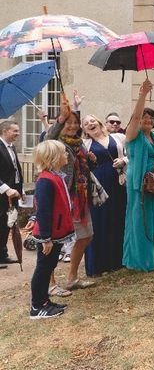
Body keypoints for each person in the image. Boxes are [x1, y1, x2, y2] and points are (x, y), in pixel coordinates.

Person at [46, 91, 96, 290]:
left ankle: (72, 278)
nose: (73, 126)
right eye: (69, 123)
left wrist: (91, 159)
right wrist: (62, 117)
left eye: (76, 123)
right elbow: (49, 135)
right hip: (62, 196)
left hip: (80, 196)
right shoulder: (56, 143)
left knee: (86, 236)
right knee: (56, 241)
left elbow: (83, 167)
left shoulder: (79, 143)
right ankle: (49, 283)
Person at [123, 79, 154, 271]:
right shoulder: (133, 135)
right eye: (145, 117)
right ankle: (142, 260)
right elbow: (134, 119)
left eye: (151, 118)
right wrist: (142, 94)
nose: (148, 120)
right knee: (141, 220)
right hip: (139, 183)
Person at [30, 140, 75, 319]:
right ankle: (37, 306)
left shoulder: (56, 176)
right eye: (64, 153)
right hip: (48, 234)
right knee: (43, 268)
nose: (67, 156)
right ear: (54, 157)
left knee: (49, 266)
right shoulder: (45, 180)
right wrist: (46, 237)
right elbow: (43, 209)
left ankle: (44, 301)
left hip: (55, 232)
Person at [81, 114, 127, 277]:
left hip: (118, 183)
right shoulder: (85, 144)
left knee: (117, 219)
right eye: (86, 124)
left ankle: (116, 261)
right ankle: (97, 265)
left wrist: (124, 161)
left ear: (99, 122)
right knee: (98, 222)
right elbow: (81, 165)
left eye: (92, 120)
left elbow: (131, 153)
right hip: (97, 186)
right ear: (85, 129)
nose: (90, 124)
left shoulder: (118, 137)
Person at [0, 120, 24, 265]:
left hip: (13, 193)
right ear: (4, 131)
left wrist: (20, 190)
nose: (18, 133)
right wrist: (6, 189)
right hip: (3, 192)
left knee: (7, 224)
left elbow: (16, 170)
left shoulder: (11, 147)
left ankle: (2, 255)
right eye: (15, 131)